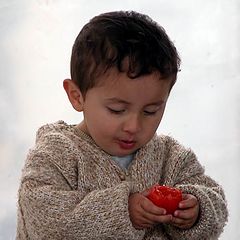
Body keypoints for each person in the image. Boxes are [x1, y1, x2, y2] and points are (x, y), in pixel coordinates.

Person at [16, 11, 228, 240]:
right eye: (117, 110)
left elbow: (215, 200)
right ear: (77, 96)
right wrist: (121, 211)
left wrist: (196, 209)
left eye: (151, 111)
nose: (134, 126)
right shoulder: (55, 154)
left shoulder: (171, 157)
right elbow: (43, 221)